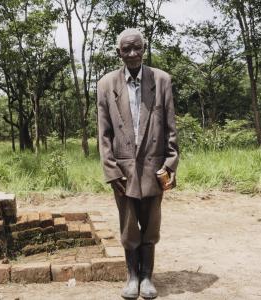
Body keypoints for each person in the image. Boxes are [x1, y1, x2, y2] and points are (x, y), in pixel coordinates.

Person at [97, 28, 179, 299]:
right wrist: (111, 170)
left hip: (155, 168)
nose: (132, 54)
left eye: (137, 48)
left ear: (144, 49)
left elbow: (170, 127)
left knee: (151, 225)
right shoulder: (106, 84)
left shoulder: (162, 80)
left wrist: (170, 164)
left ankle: (147, 278)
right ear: (118, 52)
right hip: (123, 170)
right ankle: (132, 276)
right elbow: (104, 132)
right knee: (129, 226)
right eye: (126, 49)